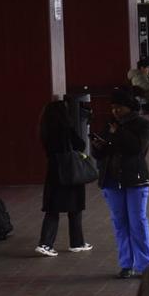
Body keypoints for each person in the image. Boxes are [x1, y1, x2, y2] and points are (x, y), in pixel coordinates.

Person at [91, 88, 149, 279]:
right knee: (120, 223)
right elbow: (100, 154)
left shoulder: (142, 124)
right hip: (111, 179)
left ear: (129, 107)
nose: (115, 111)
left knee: (138, 222)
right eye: (113, 108)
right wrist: (98, 147)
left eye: (119, 107)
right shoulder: (110, 124)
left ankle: (145, 265)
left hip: (135, 179)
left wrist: (118, 133)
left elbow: (137, 148)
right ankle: (127, 264)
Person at [35, 99, 91, 256]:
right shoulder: (66, 129)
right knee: (75, 207)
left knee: (53, 208)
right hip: (70, 171)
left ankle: (45, 243)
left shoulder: (45, 130)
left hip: (54, 171)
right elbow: (80, 144)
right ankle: (76, 242)